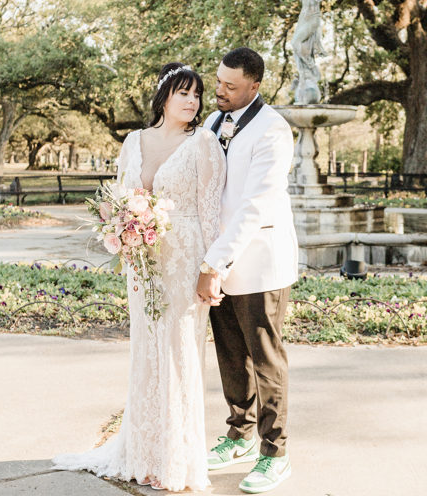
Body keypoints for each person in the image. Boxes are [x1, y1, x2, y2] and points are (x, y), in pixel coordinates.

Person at [53, 63, 227, 492]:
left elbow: (211, 215)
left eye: (198, 95)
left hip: (185, 260)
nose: (192, 101)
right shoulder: (133, 141)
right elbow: (118, 199)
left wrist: (213, 270)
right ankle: (142, 452)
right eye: (183, 93)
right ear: (164, 96)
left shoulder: (204, 143)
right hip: (141, 260)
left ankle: (176, 458)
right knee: (147, 351)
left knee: (181, 351)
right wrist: (122, 230)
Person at [199, 47, 298, 493]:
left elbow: (253, 208)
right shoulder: (212, 123)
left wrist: (212, 264)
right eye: (218, 82)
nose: (219, 91)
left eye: (230, 86)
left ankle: (275, 455)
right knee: (229, 354)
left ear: (254, 86)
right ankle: (238, 434)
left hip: (258, 264)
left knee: (265, 359)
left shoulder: (274, 131)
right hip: (215, 263)